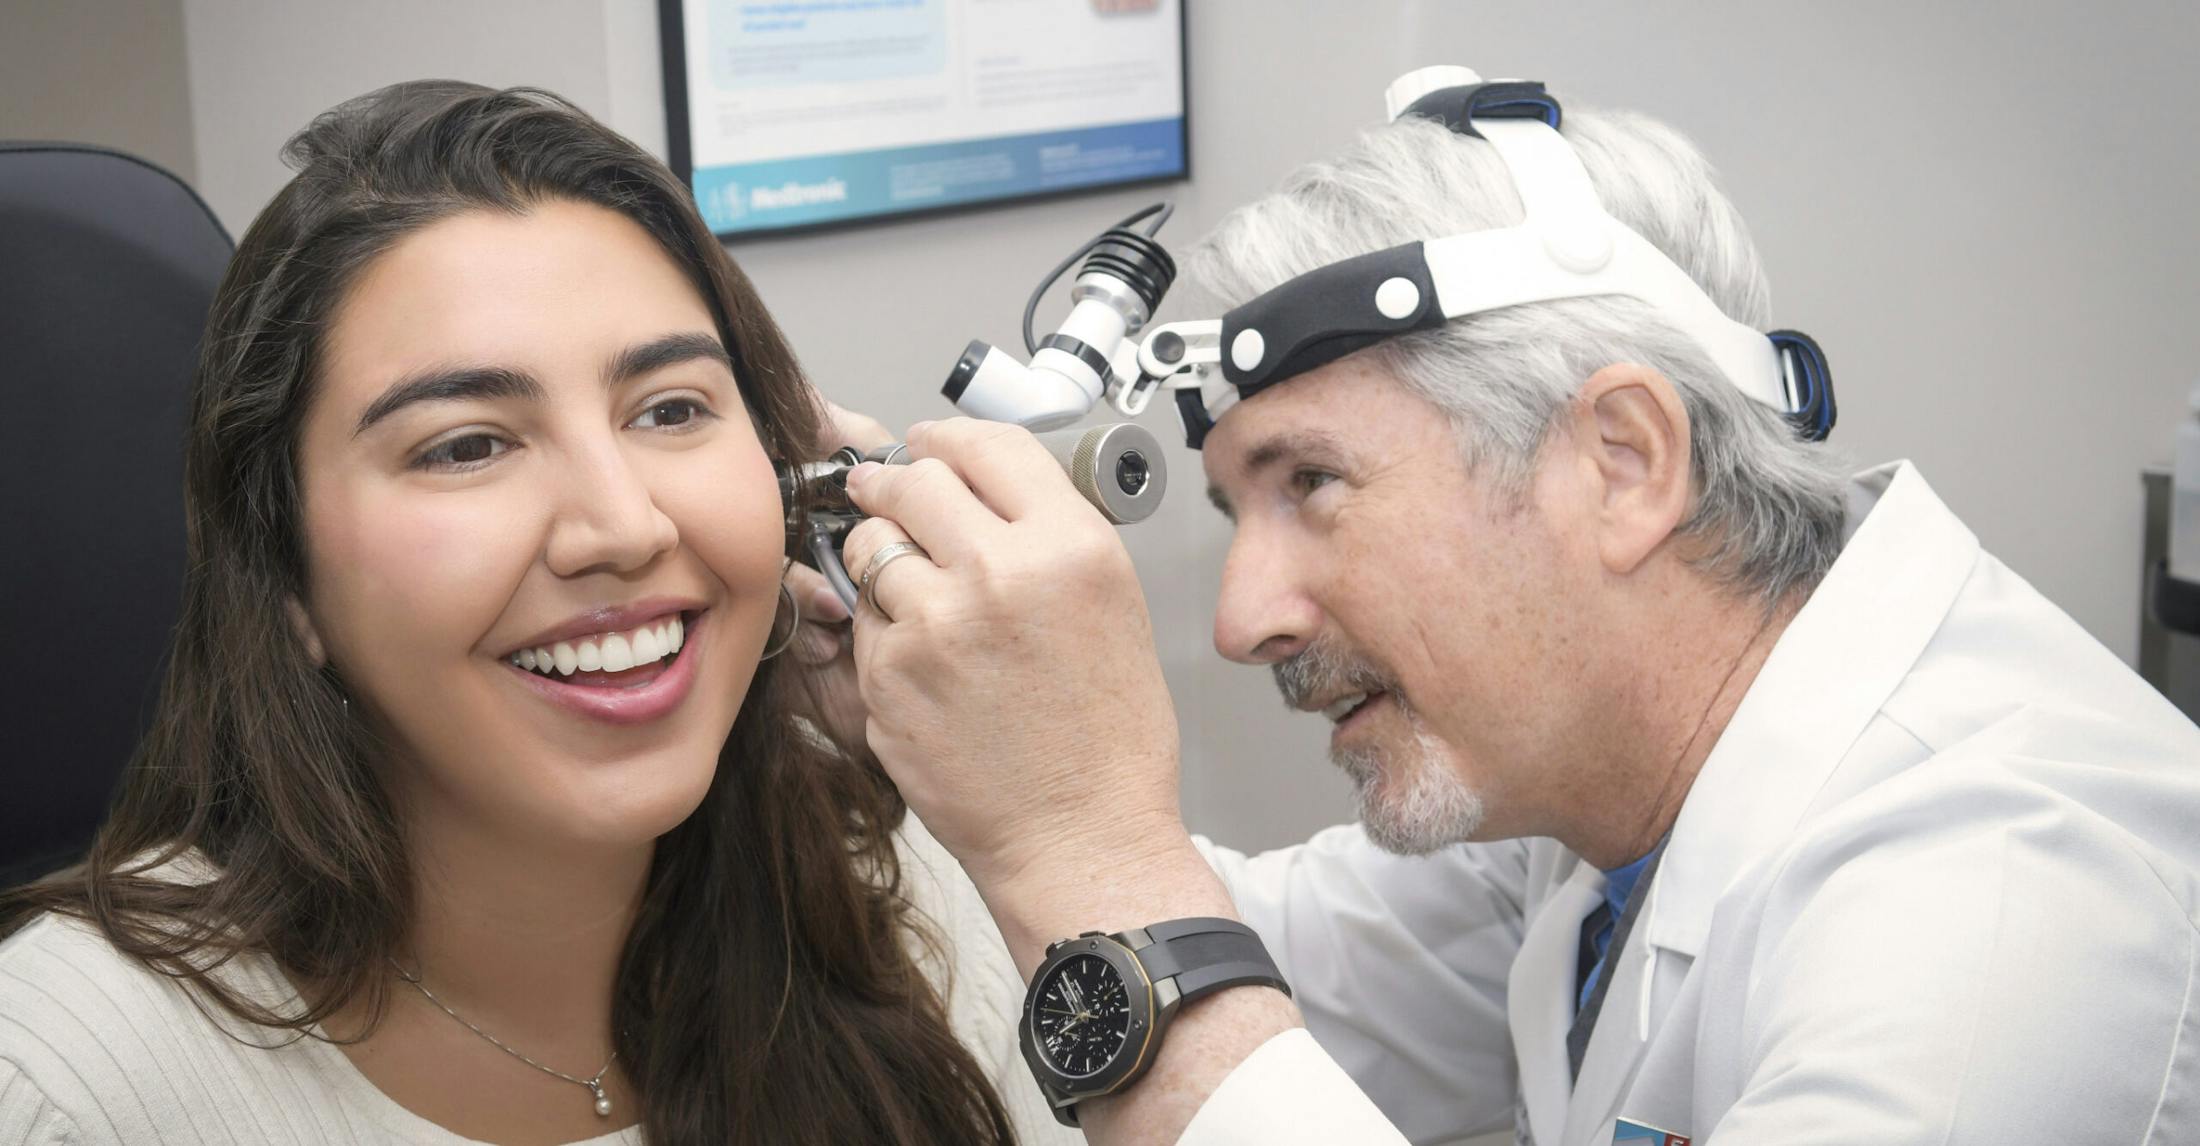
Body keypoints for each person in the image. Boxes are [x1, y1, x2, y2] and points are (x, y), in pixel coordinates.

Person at [828, 74, 2200, 1143]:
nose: (1242, 617)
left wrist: (1084, 849)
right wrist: (896, 730)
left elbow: (1148, 932)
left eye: (1311, 480)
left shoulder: (1991, 917)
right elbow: (1279, 964)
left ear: (1622, 463)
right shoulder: (1596, 807)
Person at [0, 82, 1081, 1146]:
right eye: (468, 444)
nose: (621, 525)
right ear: (286, 581)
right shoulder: (64, 1082)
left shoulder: (896, 900)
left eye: (670, 410)